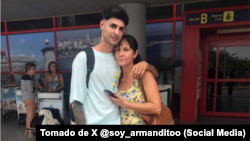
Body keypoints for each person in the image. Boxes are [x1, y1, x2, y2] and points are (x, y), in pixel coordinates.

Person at [70, 5, 158, 125]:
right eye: (113, 26)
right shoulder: (84, 58)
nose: (117, 32)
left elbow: (136, 70)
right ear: (102, 25)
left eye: (121, 29)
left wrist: (145, 64)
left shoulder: (118, 59)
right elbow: (76, 102)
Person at [108, 34, 161, 125]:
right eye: (117, 50)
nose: (121, 54)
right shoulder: (115, 78)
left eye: (126, 50)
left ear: (135, 53)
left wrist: (126, 104)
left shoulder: (143, 75)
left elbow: (156, 108)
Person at [21, 62, 42, 138]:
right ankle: (30, 133)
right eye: (33, 69)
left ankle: (27, 131)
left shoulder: (24, 77)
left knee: (28, 116)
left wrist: (34, 86)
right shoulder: (28, 77)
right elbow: (30, 89)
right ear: (28, 69)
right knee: (31, 116)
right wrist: (36, 87)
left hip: (26, 98)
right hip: (30, 98)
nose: (34, 71)